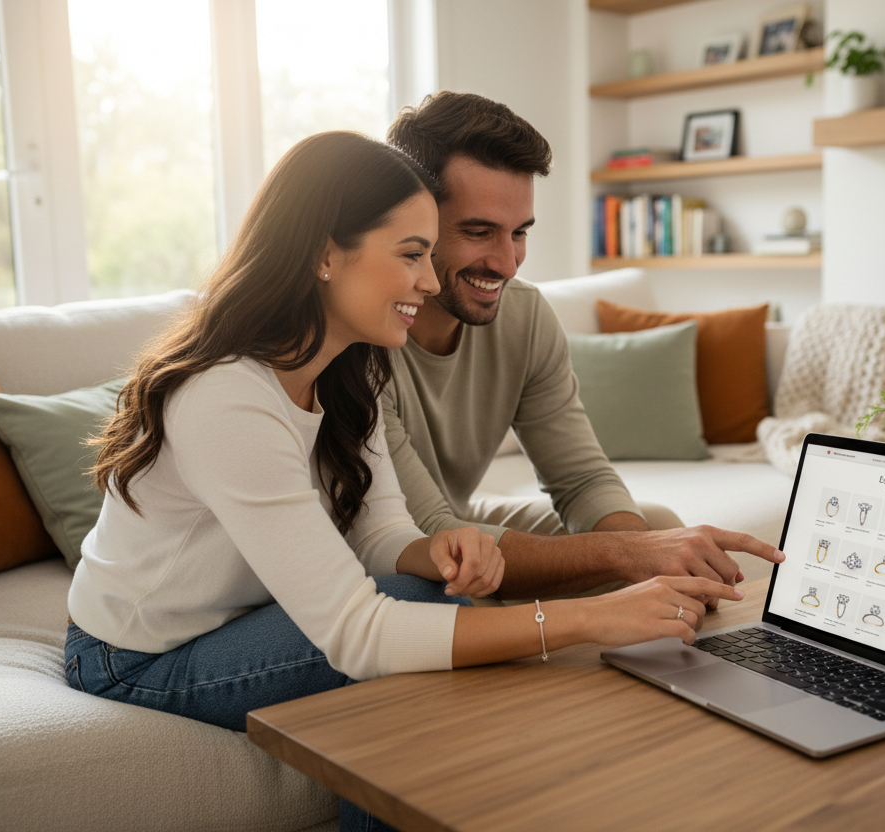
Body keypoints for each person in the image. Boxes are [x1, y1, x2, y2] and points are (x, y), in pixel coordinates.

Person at [64, 131, 749, 832]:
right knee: (417, 631)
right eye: (412, 255)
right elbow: (357, 632)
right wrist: (589, 617)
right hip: (138, 655)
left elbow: (382, 530)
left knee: (430, 588)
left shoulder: (349, 369)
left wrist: (442, 546)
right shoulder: (227, 396)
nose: (429, 281)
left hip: (247, 619)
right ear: (325, 253)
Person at [383, 92, 779, 604]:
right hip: (406, 546)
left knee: (658, 528)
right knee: (444, 588)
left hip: (460, 526)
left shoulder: (523, 316)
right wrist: (628, 558)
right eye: (479, 231)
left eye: (519, 233)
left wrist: (652, 560)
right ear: (415, 220)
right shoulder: (368, 332)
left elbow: (580, 478)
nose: (507, 263)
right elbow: (426, 530)